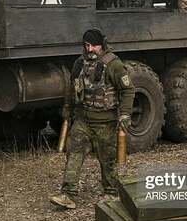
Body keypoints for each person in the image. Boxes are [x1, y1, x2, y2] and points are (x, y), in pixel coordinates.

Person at [49, 28, 134, 209]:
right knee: (74, 153)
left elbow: (127, 90)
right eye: (87, 45)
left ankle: (111, 192)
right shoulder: (79, 63)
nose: (90, 49)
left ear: (101, 45)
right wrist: (67, 109)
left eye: (93, 45)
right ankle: (68, 194)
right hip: (83, 120)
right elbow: (72, 88)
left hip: (106, 122)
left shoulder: (114, 65)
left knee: (107, 159)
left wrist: (125, 114)